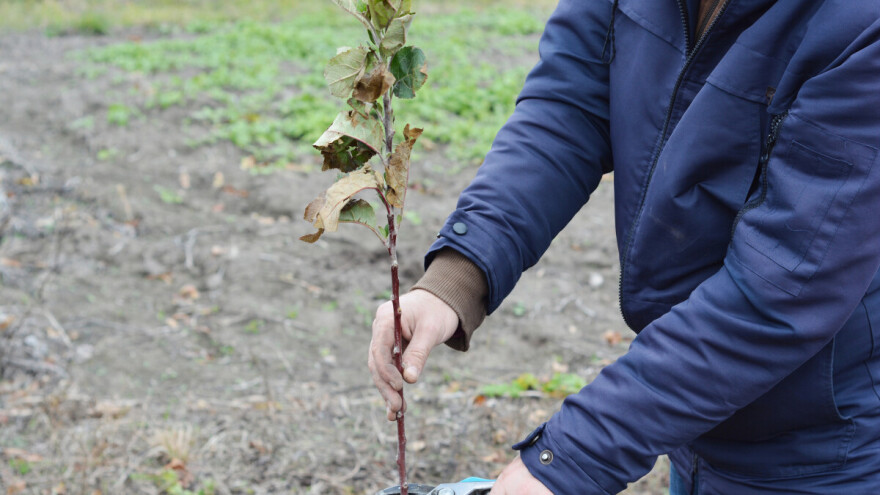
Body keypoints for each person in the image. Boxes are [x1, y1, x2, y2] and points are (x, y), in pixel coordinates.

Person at [369, 0, 880, 493]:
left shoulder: (861, 26)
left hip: (830, 453)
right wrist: (456, 278)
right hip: (695, 411)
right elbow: (568, 113)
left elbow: (782, 287)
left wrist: (571, 458)